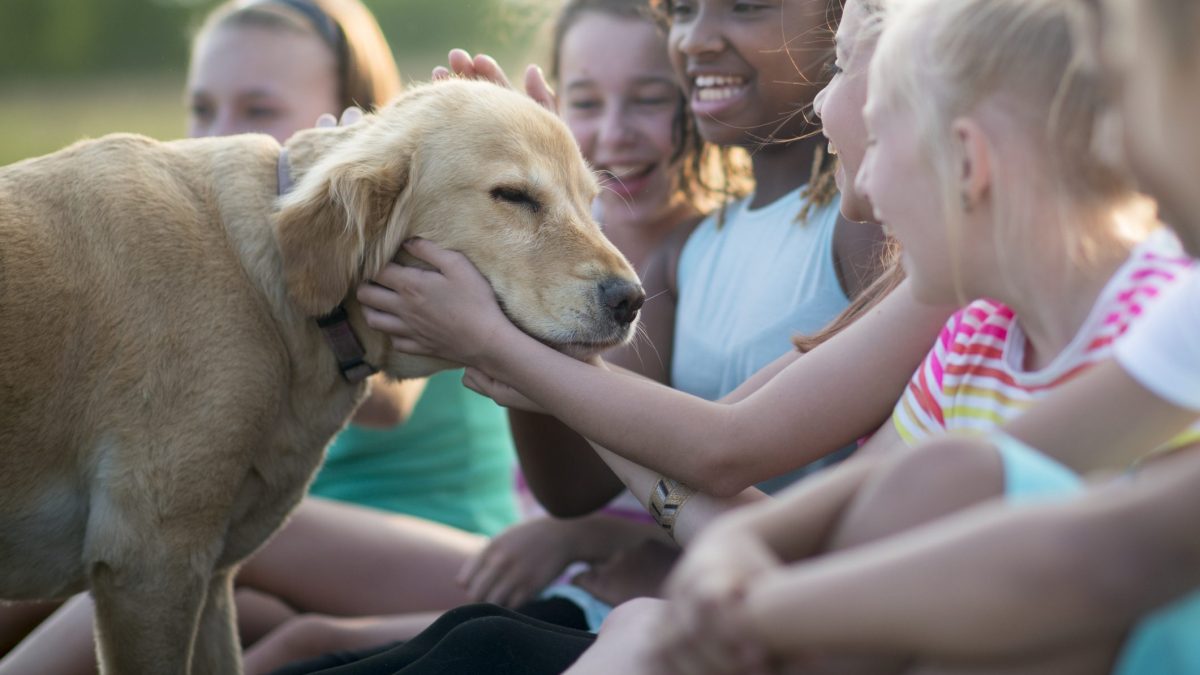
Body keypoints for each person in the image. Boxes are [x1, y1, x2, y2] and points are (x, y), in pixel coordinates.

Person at [347, 0, 1197, 671]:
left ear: (967, 160)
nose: (830, 106)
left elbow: (729, 449)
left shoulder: (987, 285)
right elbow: (853, 504)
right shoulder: (976, 328)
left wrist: (507, 344)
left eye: (847, 75)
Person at [0, 1, 514, 673]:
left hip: (413, 529)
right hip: (276, 534)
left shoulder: (412, 233)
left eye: (258, 110)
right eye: (203, 108)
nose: (219, 134)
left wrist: (331, 202)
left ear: (356, 122)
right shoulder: (200, 249)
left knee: (161, 540)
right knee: (116, 552)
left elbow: (387, 398)